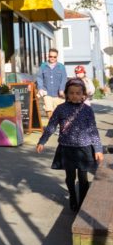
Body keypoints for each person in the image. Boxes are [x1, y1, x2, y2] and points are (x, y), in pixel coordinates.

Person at [36, 78, 103, 212]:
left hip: (85, 149)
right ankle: (73, 196)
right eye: (71, 93)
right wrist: (42, 141)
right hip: (67, 149)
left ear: (83, 94)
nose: (75, 95)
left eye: (78, 93)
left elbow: (93, 130)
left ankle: (83, 202)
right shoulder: (60, 109)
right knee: (70, 176)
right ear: (66, 94)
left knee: (83, 178)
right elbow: (51, 126)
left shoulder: (87, 110)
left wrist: (98, 149)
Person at [38, 48, 67, 121]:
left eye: (54, 57)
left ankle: (59, 125)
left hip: (58, 93)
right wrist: (40, 88)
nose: (52, 58)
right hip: (46, 91)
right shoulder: (43, 66)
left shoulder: (61, 66)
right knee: (48, 109)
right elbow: (40, 77)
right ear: (48, 56)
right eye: (51, 56)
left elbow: (64, 79)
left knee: (58, 111)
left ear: (57, 57)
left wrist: (61, 89)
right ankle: (52, 125)